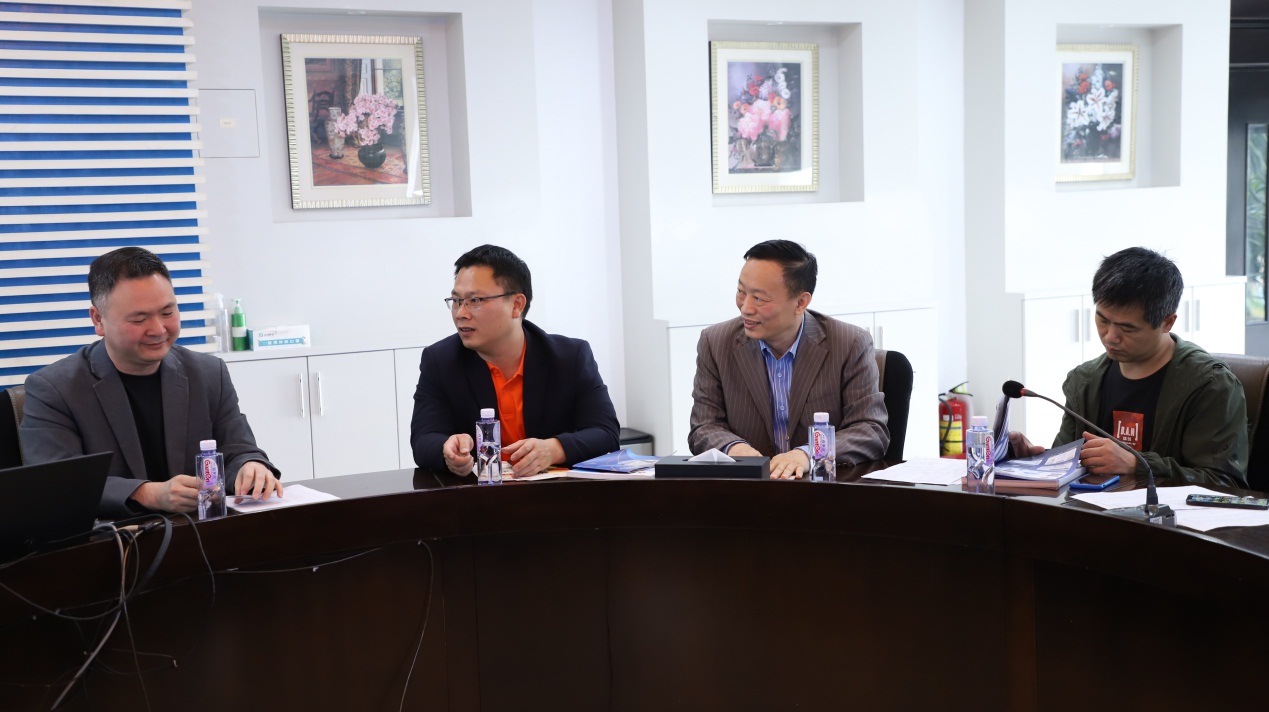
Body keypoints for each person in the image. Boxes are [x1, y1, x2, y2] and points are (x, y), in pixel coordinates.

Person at [20, 247, 282, 519]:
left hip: (201, 533)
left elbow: (238, 449)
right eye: (139, 319)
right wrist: (147, 493)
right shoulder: (54, 389)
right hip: (115, 538)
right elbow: (59, 485)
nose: (158, 329)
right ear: (98, 319)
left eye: (167, 312)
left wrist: (251, 467)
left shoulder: (208, 373)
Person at [1010, 247, 1248, 488]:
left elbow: (1224, 483)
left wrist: (1137, 464)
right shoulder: (1084, 381)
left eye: (1127, 328)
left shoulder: (1209, 385)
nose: (1110, 336)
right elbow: (1069, 466)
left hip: (1161, 513)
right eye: (1103, 320)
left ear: (1167, 322)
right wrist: (1034, 462)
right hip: (1092, 510)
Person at [411, 245, 620, 478]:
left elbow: (606, 433)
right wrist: (447, 450)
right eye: (457, 300)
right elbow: (423, 440)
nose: (461, 313)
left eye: (475, 300)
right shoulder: (440, 361)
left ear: (517, 305)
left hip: (556, 494)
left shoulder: (569, 357)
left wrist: (552, 450)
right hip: (480, 496)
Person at [688, 240, 889, 479]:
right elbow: (704, 426)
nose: (745, 308)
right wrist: (734, 448)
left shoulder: (849, 343)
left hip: (822, 491)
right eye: (741, 292)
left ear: (800, 302)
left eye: (759, 298)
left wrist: (808, 453)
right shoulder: (715, 342)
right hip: (750, 490)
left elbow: (870, 430)